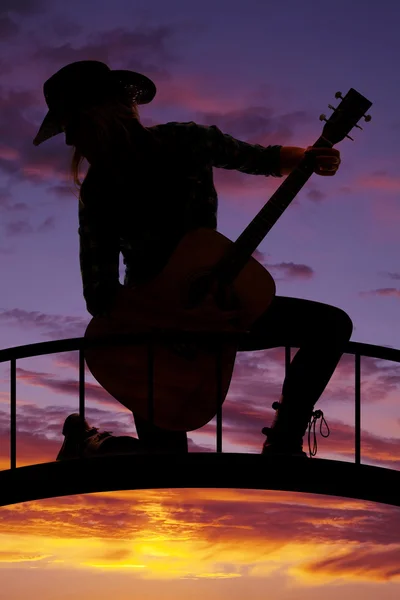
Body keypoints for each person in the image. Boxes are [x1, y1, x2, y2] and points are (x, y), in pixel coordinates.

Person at [33, 60, 352, 459]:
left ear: (100, 113)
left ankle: (284, 440)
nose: (69, 142)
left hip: (218, 309)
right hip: (157, 335)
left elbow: (260, 158)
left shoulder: (186, 141)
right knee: (165, 464)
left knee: (330, 326)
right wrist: (172, 319)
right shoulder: (97, 191)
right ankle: (93, 444)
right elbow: (100, 294)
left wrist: (309, 157)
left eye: (72, 126)